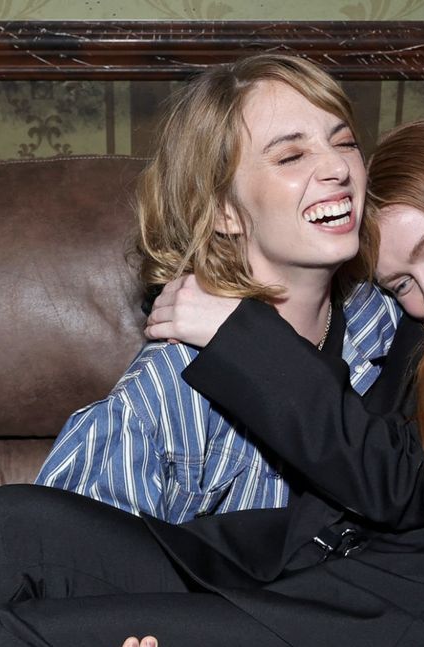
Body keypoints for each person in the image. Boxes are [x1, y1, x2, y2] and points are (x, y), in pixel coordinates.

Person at [0, 117, 424, 647]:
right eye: (402, 284)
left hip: (418, 617)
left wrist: (235, 334)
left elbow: (403, 479)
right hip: (305, 565)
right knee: (17, 524)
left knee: (28, 634)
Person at [33, 54, 400, 524]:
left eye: (345, 142)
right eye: (290, 155)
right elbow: (59, 562)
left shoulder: (389, 323)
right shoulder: (165, 390)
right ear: (224, 210)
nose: (338, 168)